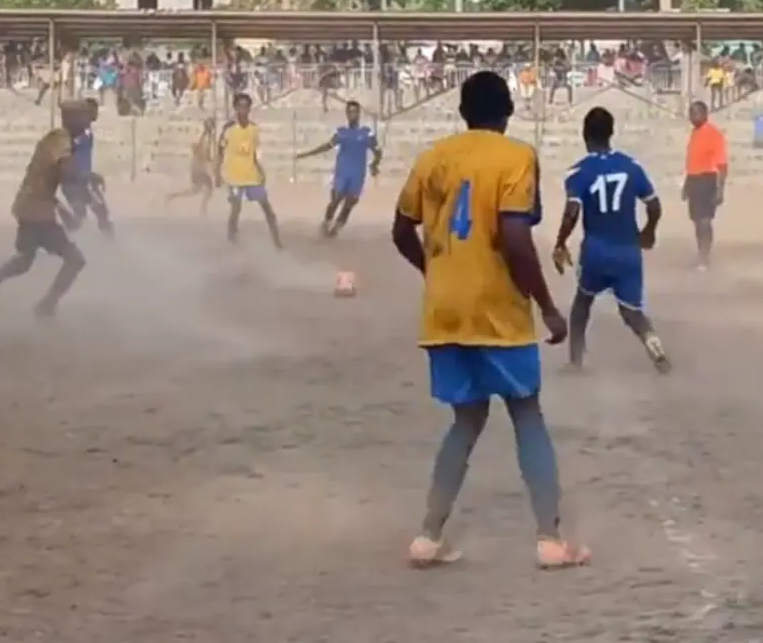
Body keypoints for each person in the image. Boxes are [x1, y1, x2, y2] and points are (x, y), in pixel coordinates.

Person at [391, 70, 589, 570]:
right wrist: (545, 304)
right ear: (507, 113)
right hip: (496, 309)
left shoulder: (433, 157)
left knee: (466, 419)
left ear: (462, 113)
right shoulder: (516, 156)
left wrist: (434, 271)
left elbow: (400, 230)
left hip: (444, 310)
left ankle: (428, 537)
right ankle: (550, 539)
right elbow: (516, 239)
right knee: (526, 414)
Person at [552, 107, 670, 373]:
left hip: (596, 251)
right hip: (628, 251)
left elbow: (572, 211)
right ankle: (654, 345)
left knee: (582, 303)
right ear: (611, 132)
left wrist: (560, 242)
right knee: (631, 312)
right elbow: (654, 206)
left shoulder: (579, 172)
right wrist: (649, 231)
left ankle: (575, 362)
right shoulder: (631, 167)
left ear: (585, 134)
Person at [0, 101, 91, 317]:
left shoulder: (57, 139)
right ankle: (46, 307)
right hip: (37, 210)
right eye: (83, 116)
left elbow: (50, 178)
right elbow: (66, 174)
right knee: (75, 260)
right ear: (72, 118)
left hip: (32, 206)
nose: (87, 122)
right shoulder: (61, 140)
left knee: (23, 262)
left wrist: (66, 206)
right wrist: (85, 184)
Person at [295, 100, 383, 238]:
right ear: (346, 114)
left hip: (357, 175)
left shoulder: (367, 133)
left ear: (359, 113)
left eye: (354, 112)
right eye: (349, 112)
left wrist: (374, 164)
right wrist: (306, 154)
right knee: (335, 200)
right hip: (342, 172)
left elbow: (378, 151)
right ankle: (326, 222)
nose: (352, 115)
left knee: (348, 205)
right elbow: (327, 146)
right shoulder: (342, 132)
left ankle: (335, 230)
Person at [216, 93, 282, 248]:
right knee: (235, 210)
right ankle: (231, 241)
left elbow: (254, 152)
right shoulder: (229, 128)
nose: (243, 110)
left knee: (268, 210)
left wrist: (261, 170)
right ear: (236, 108)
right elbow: (220, 150)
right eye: (240, 106)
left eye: (246, 106)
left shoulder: (254, 129)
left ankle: (277, 242)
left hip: (251, 173)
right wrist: (217, 173)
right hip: (233, 175)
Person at [682, 100, 727, 270]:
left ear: (705, 114)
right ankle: (701, 250)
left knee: (705, 220)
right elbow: (692, 161)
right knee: (695, 219)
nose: (693, 117)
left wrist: (720, 189)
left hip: (707, 179)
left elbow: (722, 164)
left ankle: (705, 255)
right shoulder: (694, 133)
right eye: (691, 113)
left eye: (696, 113)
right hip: (694, 180)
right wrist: (686, 185)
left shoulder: (713, 134)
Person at [59, 98, 113, 238]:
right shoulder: (78, 133)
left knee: (82, 215)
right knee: (99, 211)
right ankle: (113, 244)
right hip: (78, 180)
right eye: (94, 111)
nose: (96, 114)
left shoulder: (85, 132)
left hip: (80, 179)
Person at [165, 118, 216, 215]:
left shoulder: (206, 137)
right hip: (198, 168)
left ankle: (172, 196)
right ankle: (203, 209)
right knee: (207, 188)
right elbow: (199, 150)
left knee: (195, 191)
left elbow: (204, 152)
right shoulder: (203, 137)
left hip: (199, 168)